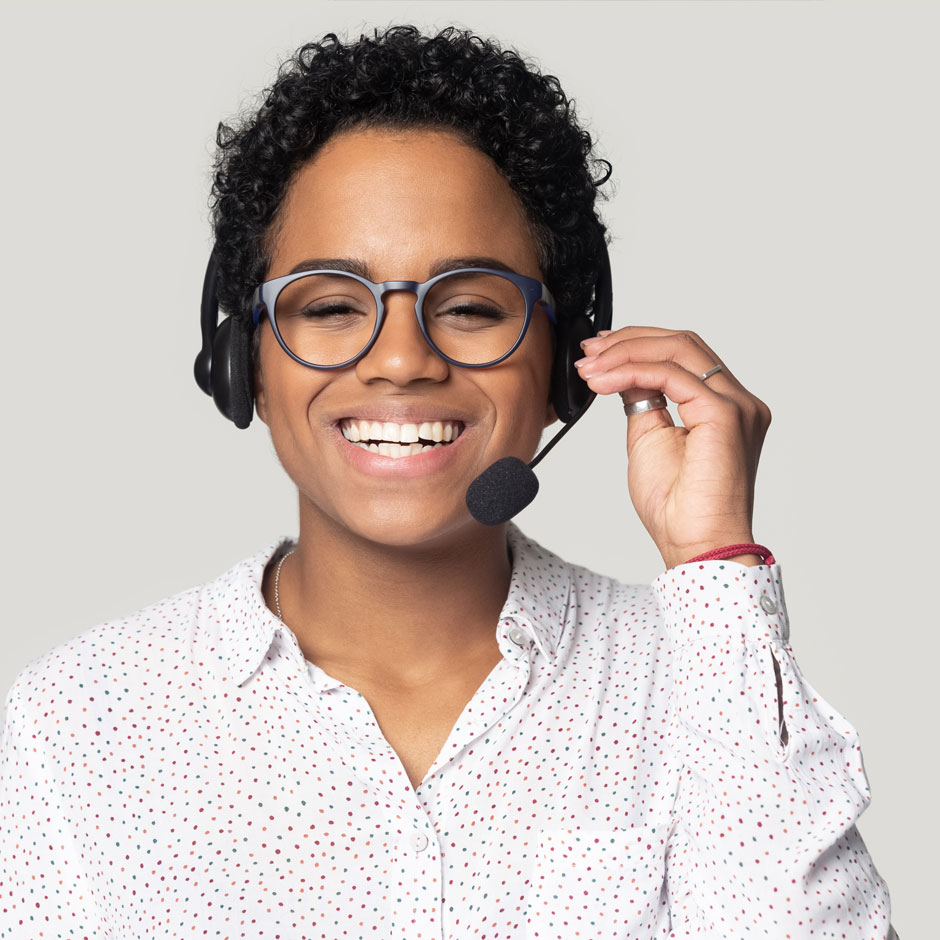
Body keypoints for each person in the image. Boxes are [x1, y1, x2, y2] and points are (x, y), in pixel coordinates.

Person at [0, 25, 895, 939]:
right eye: (332, 306)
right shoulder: (80, 724)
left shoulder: (703, 681)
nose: (400, 359)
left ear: (560, 371)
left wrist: (712, 558)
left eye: (469, 307)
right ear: (243, 366)